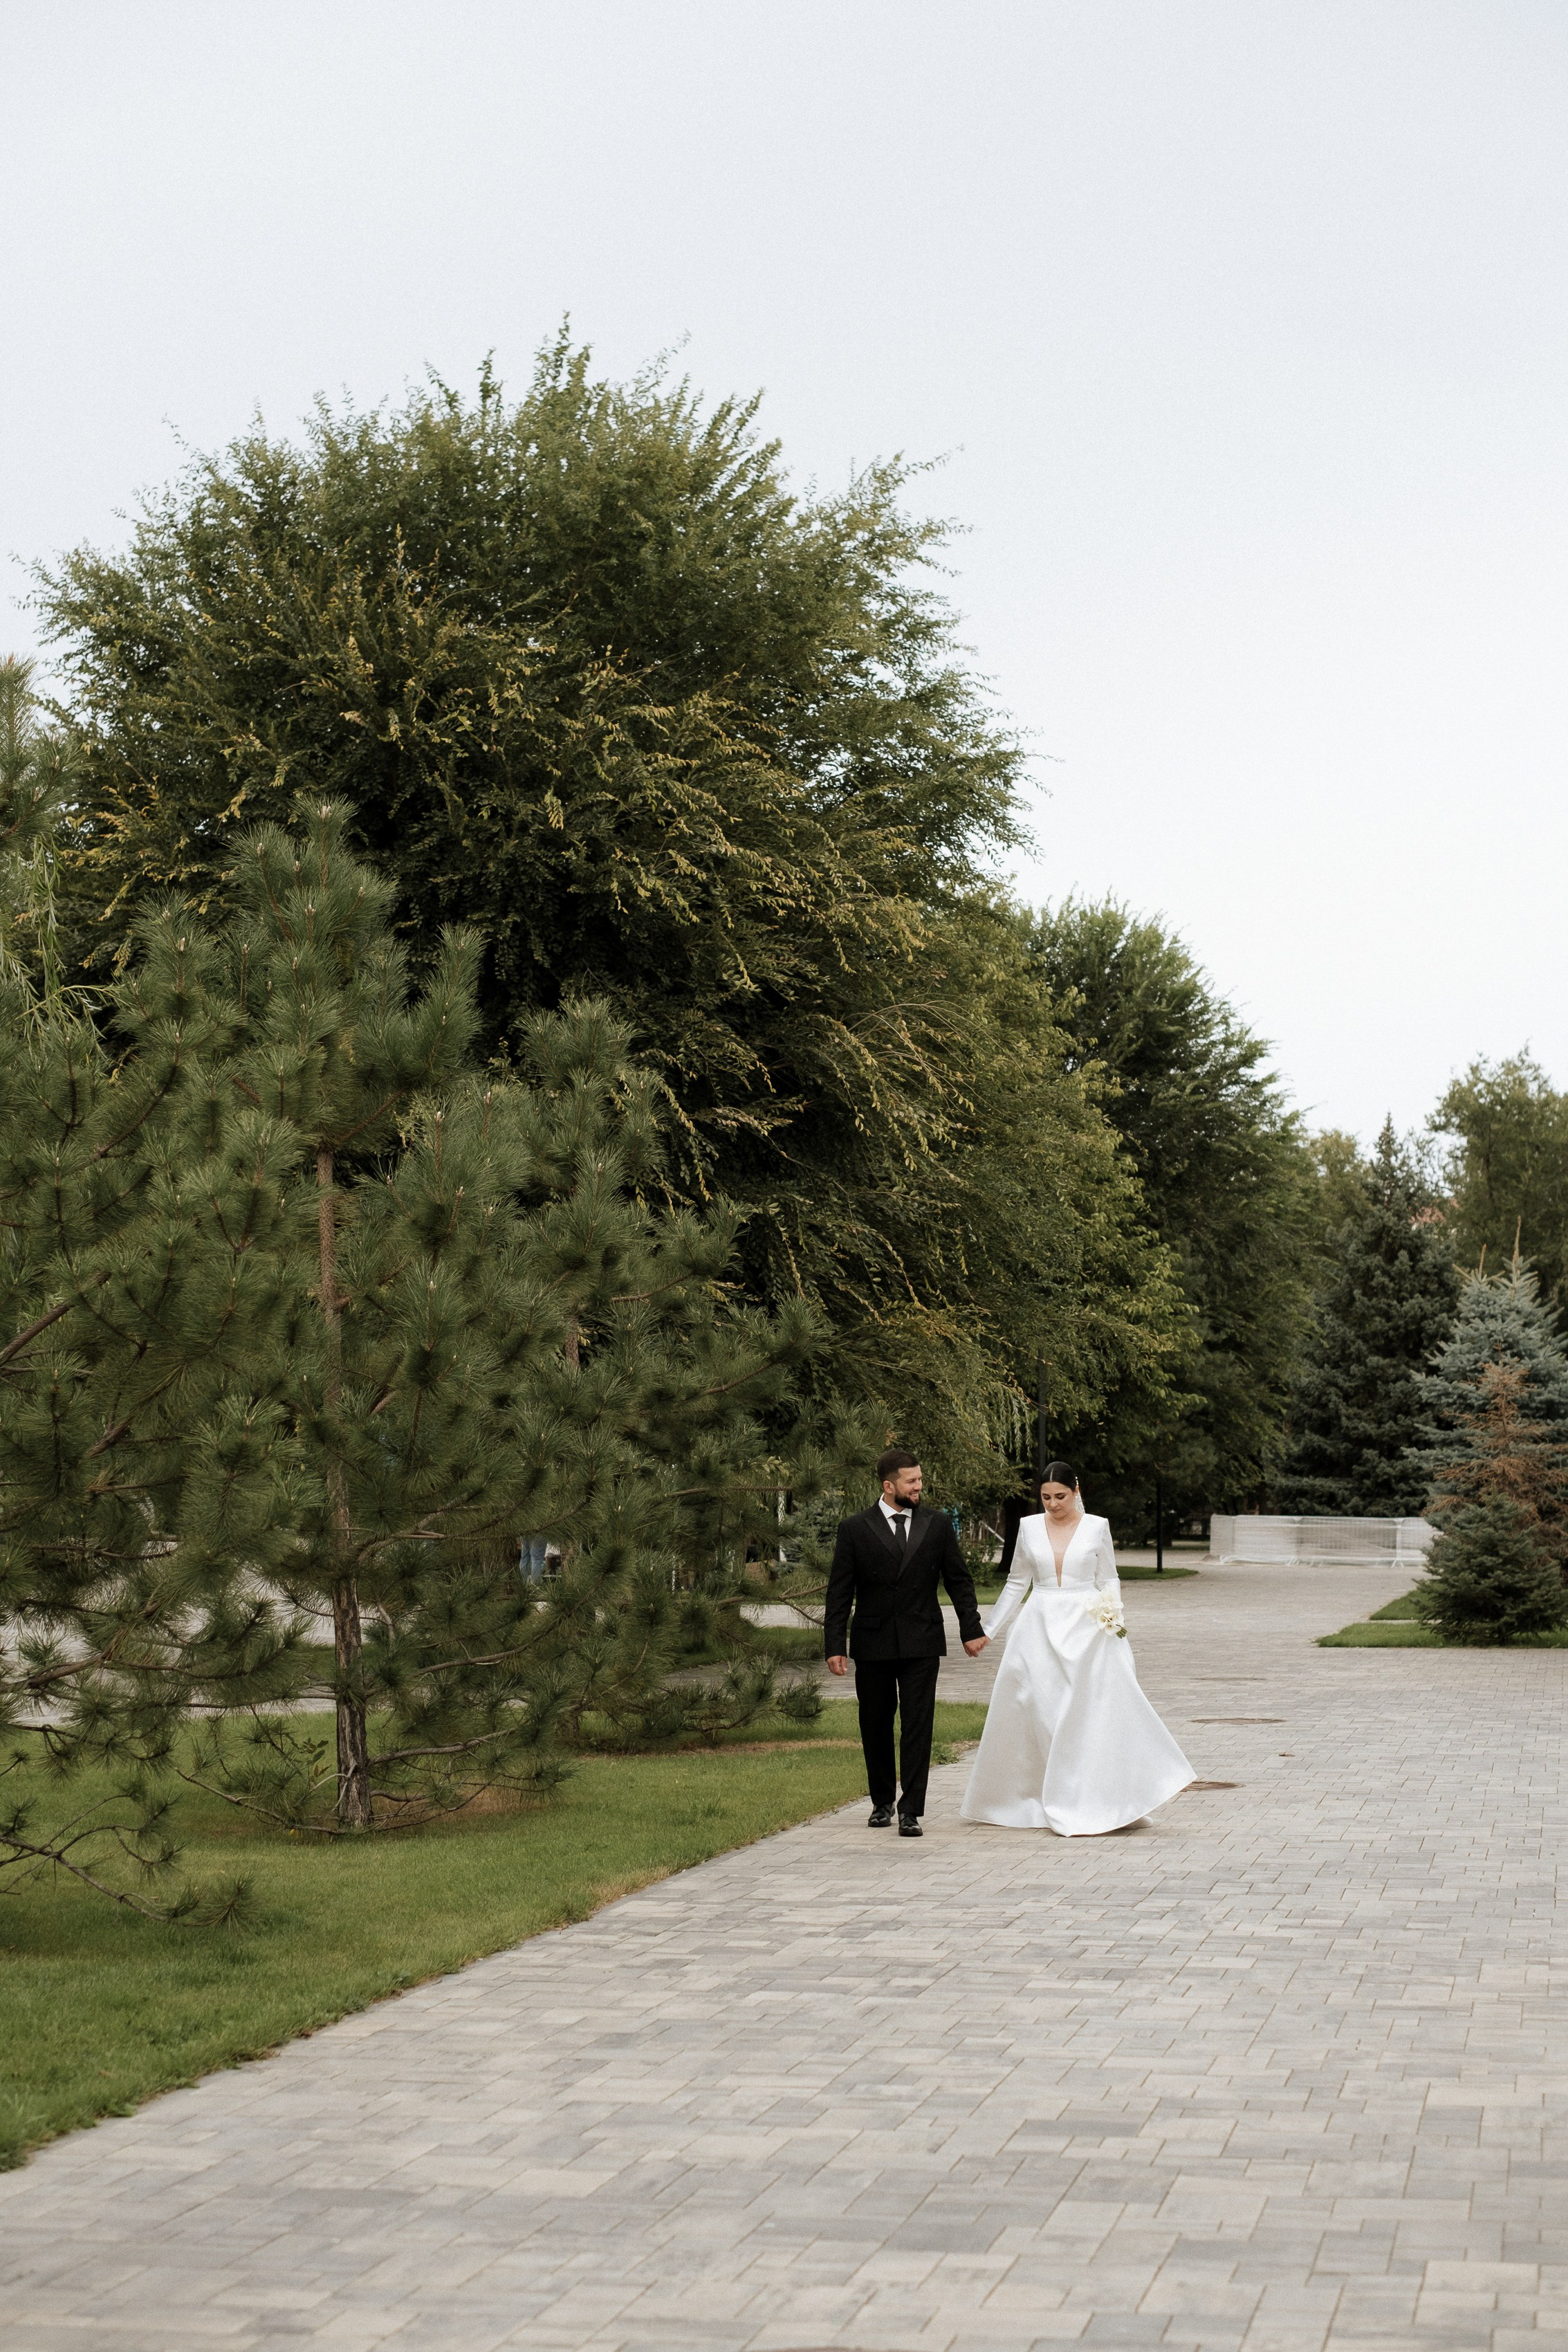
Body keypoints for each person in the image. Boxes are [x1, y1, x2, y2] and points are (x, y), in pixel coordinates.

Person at [960, 1462, 1193, 1837]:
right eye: (1046, 1497)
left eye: (1061, 1497)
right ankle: (1035, 1796)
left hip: (1088, 1630)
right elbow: (1018, 1582)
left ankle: (1090, 1797)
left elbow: (1109, 1577)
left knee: (1085, 1715)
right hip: (1037, 1629)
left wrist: (1112, 1618)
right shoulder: (1029, 1527)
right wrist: (988, 1629)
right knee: (1041, 1711)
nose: (1053, 1504)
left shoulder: (1097, 1527)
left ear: (1076, 1491)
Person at [824, 1447, 988, 1837]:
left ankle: (910, 1809)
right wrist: (835, 1644)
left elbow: (958, 1580)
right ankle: (882, 1802)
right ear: (888, 1485)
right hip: (873, 1641)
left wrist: (971, 1629)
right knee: (875, 1723)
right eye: (911, 1481)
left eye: (919, 1480)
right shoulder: (855, 1529)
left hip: (922, 1640)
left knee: (918, 1724)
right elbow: (839, 1592)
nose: (918, 1487)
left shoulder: (937, 1524)